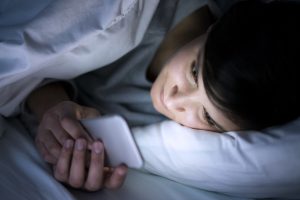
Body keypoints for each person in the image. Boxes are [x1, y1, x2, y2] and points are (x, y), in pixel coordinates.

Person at [24, 0, 300, 193]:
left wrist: (58, 114)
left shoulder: (181, 135)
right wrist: (51, 104)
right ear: (211, 31)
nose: (176, 100)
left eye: (206, 116)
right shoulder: (144, 14)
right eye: (194, 71)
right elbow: (28, 64)